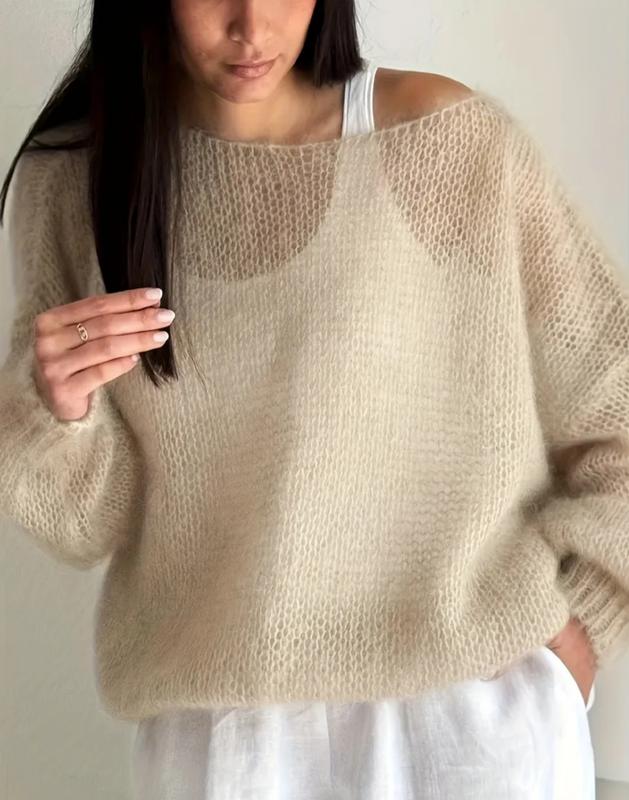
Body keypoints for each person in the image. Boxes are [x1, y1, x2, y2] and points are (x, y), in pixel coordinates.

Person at [1, 1, 629, 798]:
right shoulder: (75, 178)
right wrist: (55, 412)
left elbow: (615, 398)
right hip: (229, 736)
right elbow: (89, 524)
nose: (251, 26)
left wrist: (585, 623)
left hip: (469, 720)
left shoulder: (440, 141)